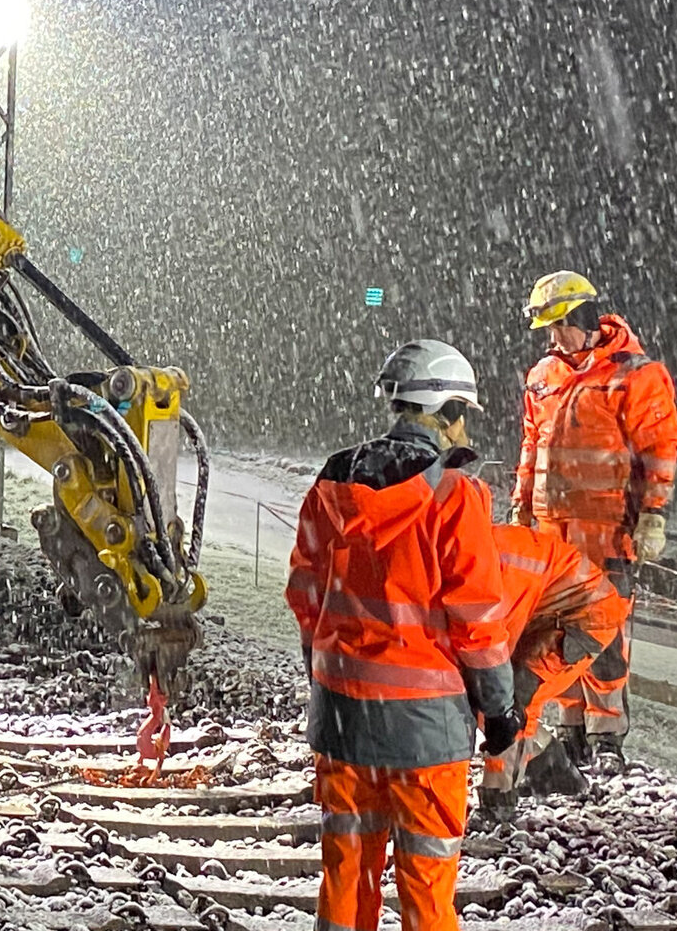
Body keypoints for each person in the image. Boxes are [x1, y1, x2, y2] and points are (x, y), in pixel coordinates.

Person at [287, 339, 521, 931]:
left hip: (342, 718)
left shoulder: (333, 481)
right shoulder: (454, 494)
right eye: (462, 412)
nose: (463, 425)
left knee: (347, 868)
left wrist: (328, 668)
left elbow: (305, 591)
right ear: (445, 412)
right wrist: (499, 712)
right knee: (426, 880)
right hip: (427, 730)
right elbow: (477, 620)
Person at [514, 271, 677, 774]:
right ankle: (571, 730)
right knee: (554, 634)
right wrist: (522, 505)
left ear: (584, 319)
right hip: (550, 533)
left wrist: (653, 515)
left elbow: (660, 448)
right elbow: (530, 447)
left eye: (560, 326)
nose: (553, 338)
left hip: (606, 529)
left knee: (604, 635)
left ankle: (607, 734)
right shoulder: (543, 375)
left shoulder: (635, 374)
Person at [475, 524, 634, 824]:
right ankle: (552, 769)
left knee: (511, 695)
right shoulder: (477, 550)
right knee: (497, 693)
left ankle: (499, 800)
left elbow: (493, 655)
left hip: (586, 614)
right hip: (562, 607)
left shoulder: (488, 571)